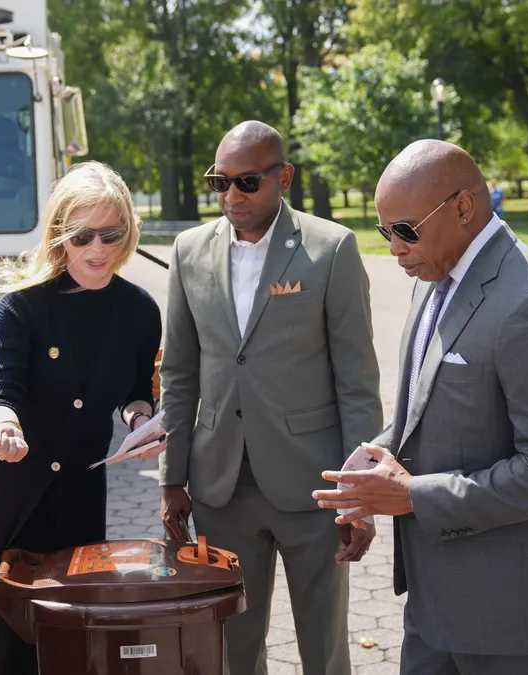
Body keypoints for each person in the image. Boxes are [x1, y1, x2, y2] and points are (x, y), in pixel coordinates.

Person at [313, 140, 528, 675]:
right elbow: (428, 405)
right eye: (384, 232)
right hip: (434, 602)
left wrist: (411, 497)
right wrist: (377, 460)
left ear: (463, 208)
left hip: (509, 615)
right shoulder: (437, 273)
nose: (395, 249)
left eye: (405, 230)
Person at [158, 121, 383, 675]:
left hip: (313, 487)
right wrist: (172, 477)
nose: (232, 196)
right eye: (220, 182)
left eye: (248, 182)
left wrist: (359, 495)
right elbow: (181, 372)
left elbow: (357, 378)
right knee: (230, 647)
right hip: (220, 486)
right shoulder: (189, 251)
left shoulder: (330, 249)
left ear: (283, 177)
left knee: (323, 644)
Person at [0, 161, 164, 674]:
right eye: (81, 236)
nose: (97, 249)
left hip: (80, 483)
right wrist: (3, 427)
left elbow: (136, 392)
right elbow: (1, 390)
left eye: (111, 233)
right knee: (2, 616)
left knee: (71, 616)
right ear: (59, 235)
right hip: (12, 483)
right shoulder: (21, 306)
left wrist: (141, 419)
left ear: (128, 232)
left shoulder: (141, 310)